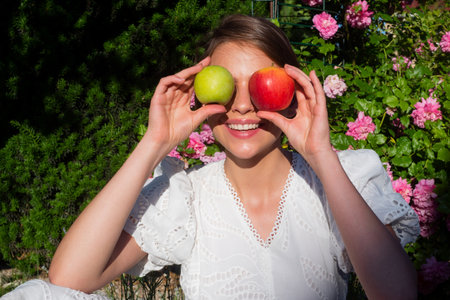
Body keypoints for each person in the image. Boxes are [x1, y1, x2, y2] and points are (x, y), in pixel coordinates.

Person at [2, 14, 420, 300]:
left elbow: (397, 293)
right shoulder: (186, 200)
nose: (241, 107)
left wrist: (322, 154)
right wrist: (153, 143)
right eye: (225, 86)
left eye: (259, 86)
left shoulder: (333, 185)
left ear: (293, 93)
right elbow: (68, 280)